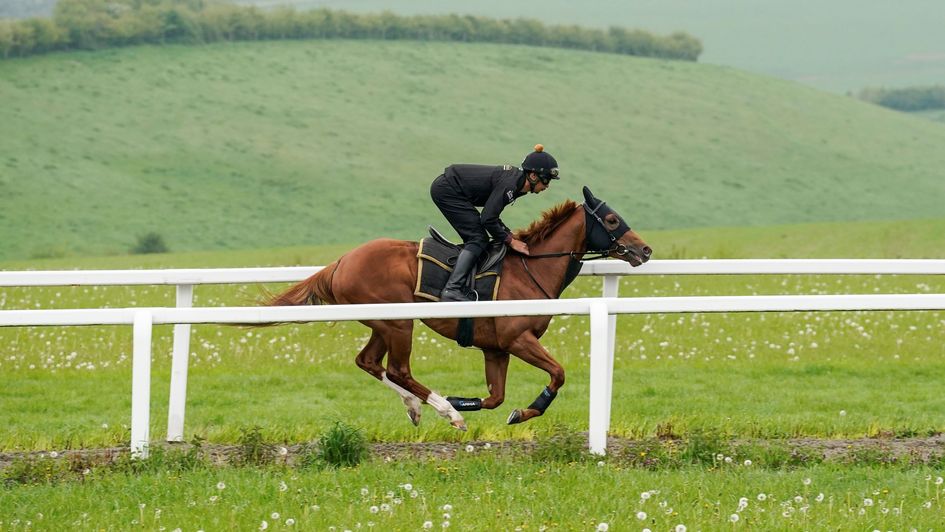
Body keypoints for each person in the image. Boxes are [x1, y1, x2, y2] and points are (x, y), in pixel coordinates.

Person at [430, 144, 559, 302]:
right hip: (447, 190)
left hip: (453, 189)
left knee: (480, 236)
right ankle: (452, 288)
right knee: (478, 238)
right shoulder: (511, 185)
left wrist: (509, 234)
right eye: (546, 180)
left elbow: (492, 216)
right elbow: (487, 219)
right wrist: (511, 241)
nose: (547, 185)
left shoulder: (517, 184)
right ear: (533, 176)